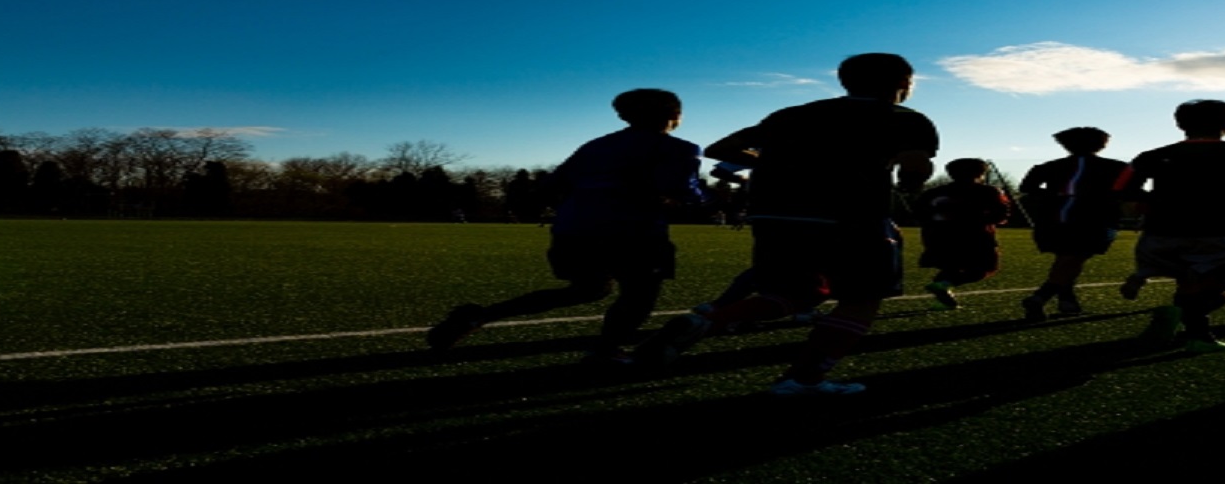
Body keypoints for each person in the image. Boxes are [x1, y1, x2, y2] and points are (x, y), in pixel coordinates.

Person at [636, 53, 937, 396]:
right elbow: (914, 166)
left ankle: (704, 322)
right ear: (904, 81)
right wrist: (908, 186)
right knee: (862, 297)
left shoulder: (794, 113)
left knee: (795, 293)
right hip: (848, 215)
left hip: (773, 214)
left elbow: (722, 148)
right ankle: (804, 378)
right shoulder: (903, 117)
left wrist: (774, 162)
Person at [425, 89, 703, 363]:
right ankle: (605, 352)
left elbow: (551, 186)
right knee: (639, 294)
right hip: (633, 231)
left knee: (589, 289)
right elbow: (679, 191)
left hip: (573, 229)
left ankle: (480, 315)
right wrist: (703, 199)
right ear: (674, 114)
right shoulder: (677, 148)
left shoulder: (596, 146)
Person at [1116, 100, 1225, 352]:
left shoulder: (1150, 156)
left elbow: (1122, 190)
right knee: (1222, 286)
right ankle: (1184, 321)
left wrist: (1151, 204)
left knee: (1188, 283)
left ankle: (1198, 335)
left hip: (1163, 230)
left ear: (1179, 123)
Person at [1016, 127, 1128, 321]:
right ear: (1101, 143)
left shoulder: (1048, 166)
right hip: (1093, 220)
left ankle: (1067, 302)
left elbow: (1027, 187)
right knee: (1073, 259)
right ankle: (1040, 297)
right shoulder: (1115, 167)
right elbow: (1128, 191)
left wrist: (1055, 195)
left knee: (1067, 259)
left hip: (1052, 220)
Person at [917, 158, 1012, 310]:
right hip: (975, 236)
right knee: (985, 267)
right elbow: (1000, 214)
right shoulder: (987, 191)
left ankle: (943, 299)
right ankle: (943, 285)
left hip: (939, 236)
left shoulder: (933, 192)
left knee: (951, 266)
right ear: (980, 173)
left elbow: (920, 214)